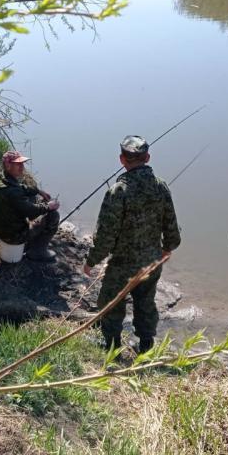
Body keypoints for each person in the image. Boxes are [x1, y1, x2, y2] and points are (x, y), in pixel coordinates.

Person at [83, 135, 181, 353]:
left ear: (122, 160)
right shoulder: (161, 187)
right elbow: (171, 225)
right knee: (145, 302)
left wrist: (91, 261)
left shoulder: (118, 191)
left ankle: (111, 347)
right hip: (152, 261)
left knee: (110, 302)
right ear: (147, 157)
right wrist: (168, 248)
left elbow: (106, 235)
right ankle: (145, 346)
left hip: (123, 264)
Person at [0, 150, 60, 262]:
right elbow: (31, 211)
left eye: (22, 164)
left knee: (34, 198)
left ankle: (30, 239)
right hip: (14, 236)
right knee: (53, 215)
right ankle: (38, 252)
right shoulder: (13, 192)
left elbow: (21, 188)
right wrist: (49, 206)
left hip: (1, 229)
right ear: (8, 165)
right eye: (18, 164)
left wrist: (38, 191)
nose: (22, 167)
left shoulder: (1, 179)